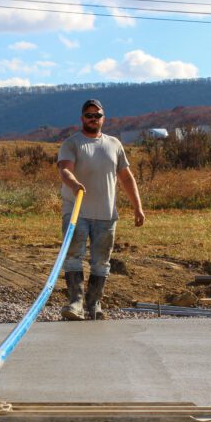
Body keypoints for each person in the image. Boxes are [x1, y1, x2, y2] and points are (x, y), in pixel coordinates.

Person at [56, 99, 145, 321]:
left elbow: (126, 177)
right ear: (82, 118)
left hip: (106, 214)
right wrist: (75, 184)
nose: (93, 119)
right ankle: (75, 303)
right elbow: (65, 171)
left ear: (103, 118)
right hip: (77, 211)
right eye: (89, 115)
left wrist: (138, 207)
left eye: (97, 115)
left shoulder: (114, 144)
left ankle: (94, 304)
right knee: (74, 256)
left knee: (101, 261)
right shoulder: (72, 144)